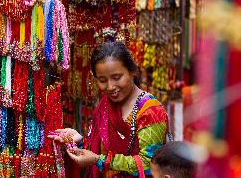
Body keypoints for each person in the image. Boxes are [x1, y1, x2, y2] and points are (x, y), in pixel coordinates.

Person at [48, 41, 169, 177]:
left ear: (132, 71)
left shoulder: (151, 111)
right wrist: (79, 141)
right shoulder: (105, 106)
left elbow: (149, 164)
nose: (110, 86)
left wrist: (98, 160)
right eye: (102, 80)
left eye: (117, 77)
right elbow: (99, 150)